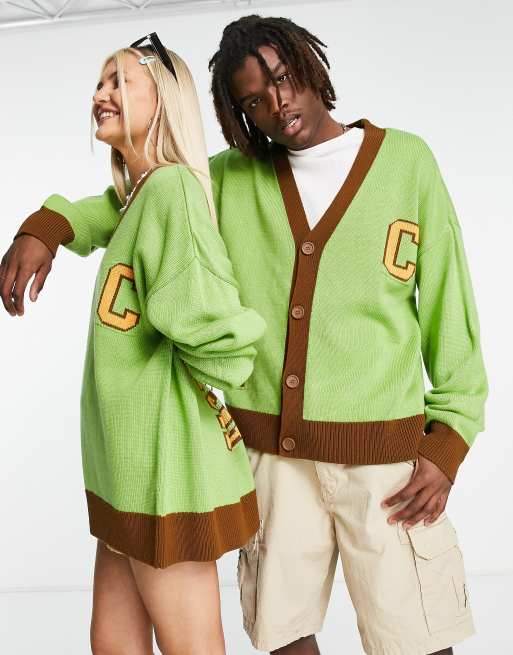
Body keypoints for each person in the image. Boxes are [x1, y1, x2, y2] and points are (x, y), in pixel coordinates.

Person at [2, 16, 488, 655]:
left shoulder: (406, 163)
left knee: (418, 638)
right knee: (285, 637)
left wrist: (448, 440)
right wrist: (48, 227)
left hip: (384, 457)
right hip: (269, 457)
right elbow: (134, 201)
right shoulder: (228, 177)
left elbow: (452, 307)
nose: (276, 104)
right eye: (253, 100)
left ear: (310, 66)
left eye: (283, 79)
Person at [0, 34, 267, 655]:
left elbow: (210, 326)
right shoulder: (142, 195)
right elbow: (99, 213)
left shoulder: (172, 191)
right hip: (128, 470)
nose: (101, 94)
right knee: (113, 642)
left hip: (164, 468)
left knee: (192, 646)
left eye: (120, 81)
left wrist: (228, 370)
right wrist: (44, 226)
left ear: (165, 99)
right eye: (99, 83)